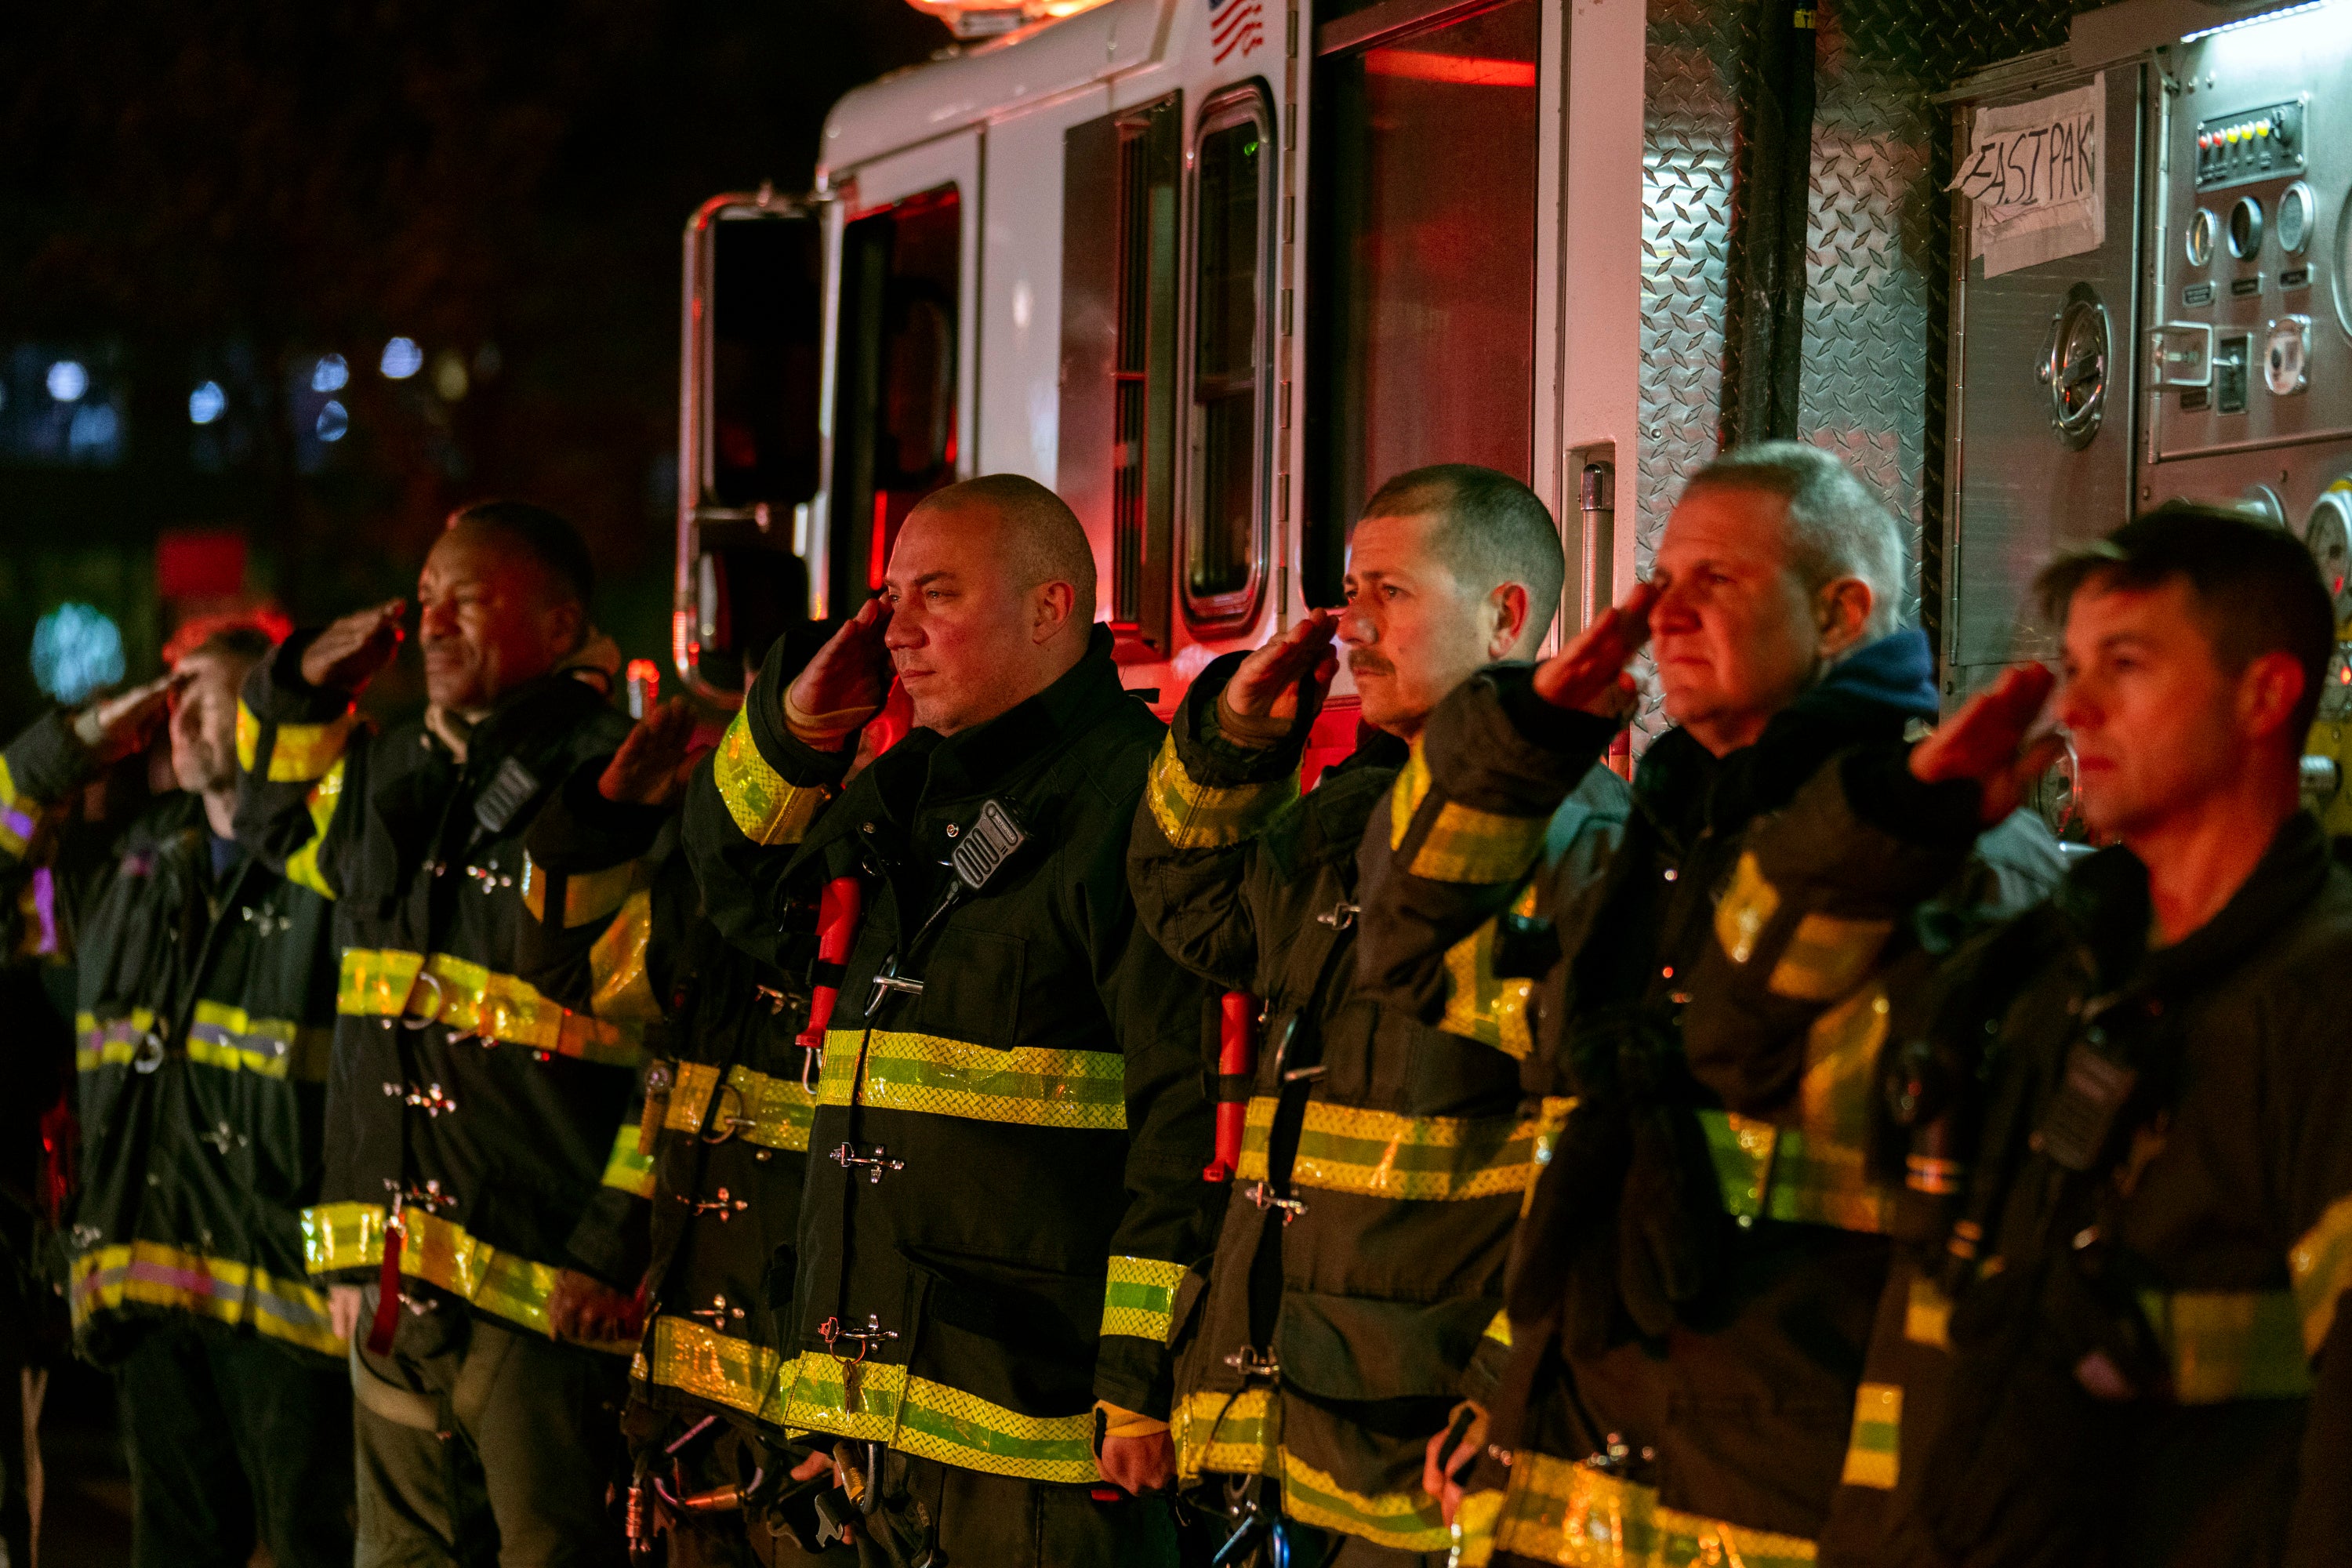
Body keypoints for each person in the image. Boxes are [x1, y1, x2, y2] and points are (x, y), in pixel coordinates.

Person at [1353, 443, 2063, 1565]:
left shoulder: (1959, 862)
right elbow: (1414, 956)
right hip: (1574, 1492)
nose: (1668, 615)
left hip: (1784, 1502)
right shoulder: (1654, 853)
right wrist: (1519, 748)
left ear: (1841, 612)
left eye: (1716, 582)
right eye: (1660, 582)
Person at [1735, 503, 2352, 1566]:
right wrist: (1898, 829)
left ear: (2266, 694)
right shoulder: (2042, 974)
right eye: (2071, 666)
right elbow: (1740, 1052)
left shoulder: (2321, 1010)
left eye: (2126, 663)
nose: (2078, 707)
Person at [681, 474, 1220, 1567]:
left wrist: (1139, 1379)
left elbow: (1187, 1115)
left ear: (1049, 607)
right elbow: (741, 897)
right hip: (870, 1438)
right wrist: (798, 732)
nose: (898, 631)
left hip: (1039, 1455)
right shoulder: (905, 795)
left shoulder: (1136, 805)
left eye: (936, 596)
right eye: (888, 600)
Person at [1127, 464, 1628, 1564]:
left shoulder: (1571, 841)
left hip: (1430, 1453)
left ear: (1505, 615)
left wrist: (1510, 1385)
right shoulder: (1349, 816)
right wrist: (1238, 737)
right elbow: (1193, 907)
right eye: (1351, 592)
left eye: (1389, 593)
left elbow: (1601, 1166)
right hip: (1308, 1433)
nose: (1352, 623)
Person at [235, 501, 652, 1568]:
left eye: (465, 600)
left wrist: (611, 1247)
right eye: (423, 600)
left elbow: (680, 1049)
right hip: (390, 1278)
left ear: (559, 628)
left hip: (542, 1282)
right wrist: (300, 687)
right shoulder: (398, 772)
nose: (430, 624)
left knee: (550, 1551)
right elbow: (276, 825)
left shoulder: (622, 780)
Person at [0, 623, 354, 1568]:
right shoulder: (135, 865)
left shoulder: (337, 868)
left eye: (216, 693)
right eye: (175, 693)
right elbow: (4, 851)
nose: (182, 713)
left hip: (294, 1303)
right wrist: (77, 741)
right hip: (152, 1294)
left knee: (321, 1543)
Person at [517, 644, 835, 1566]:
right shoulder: (708, 904)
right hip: (696, 1422)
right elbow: (569, 966)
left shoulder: (880, 885)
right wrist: (607, 814)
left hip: (817, 1427)